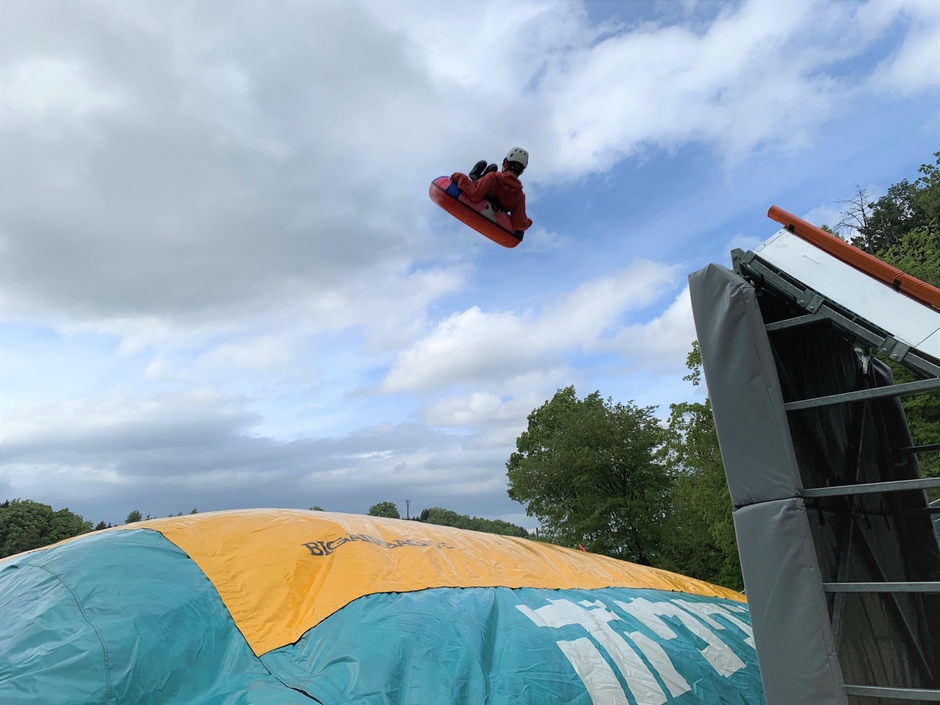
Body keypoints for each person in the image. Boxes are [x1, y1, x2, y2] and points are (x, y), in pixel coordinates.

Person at [450, 148, 533, 234]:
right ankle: (479, 179)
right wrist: (529, 222)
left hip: (484, 194)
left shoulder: (493, 177)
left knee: (478, 185)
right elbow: (518, 223)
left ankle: (477, 179)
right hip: (496, 209)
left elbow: (474, 194)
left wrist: (457, 176)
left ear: (505, 164)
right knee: (485, 185)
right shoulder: (519, 195)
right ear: (521, 172)